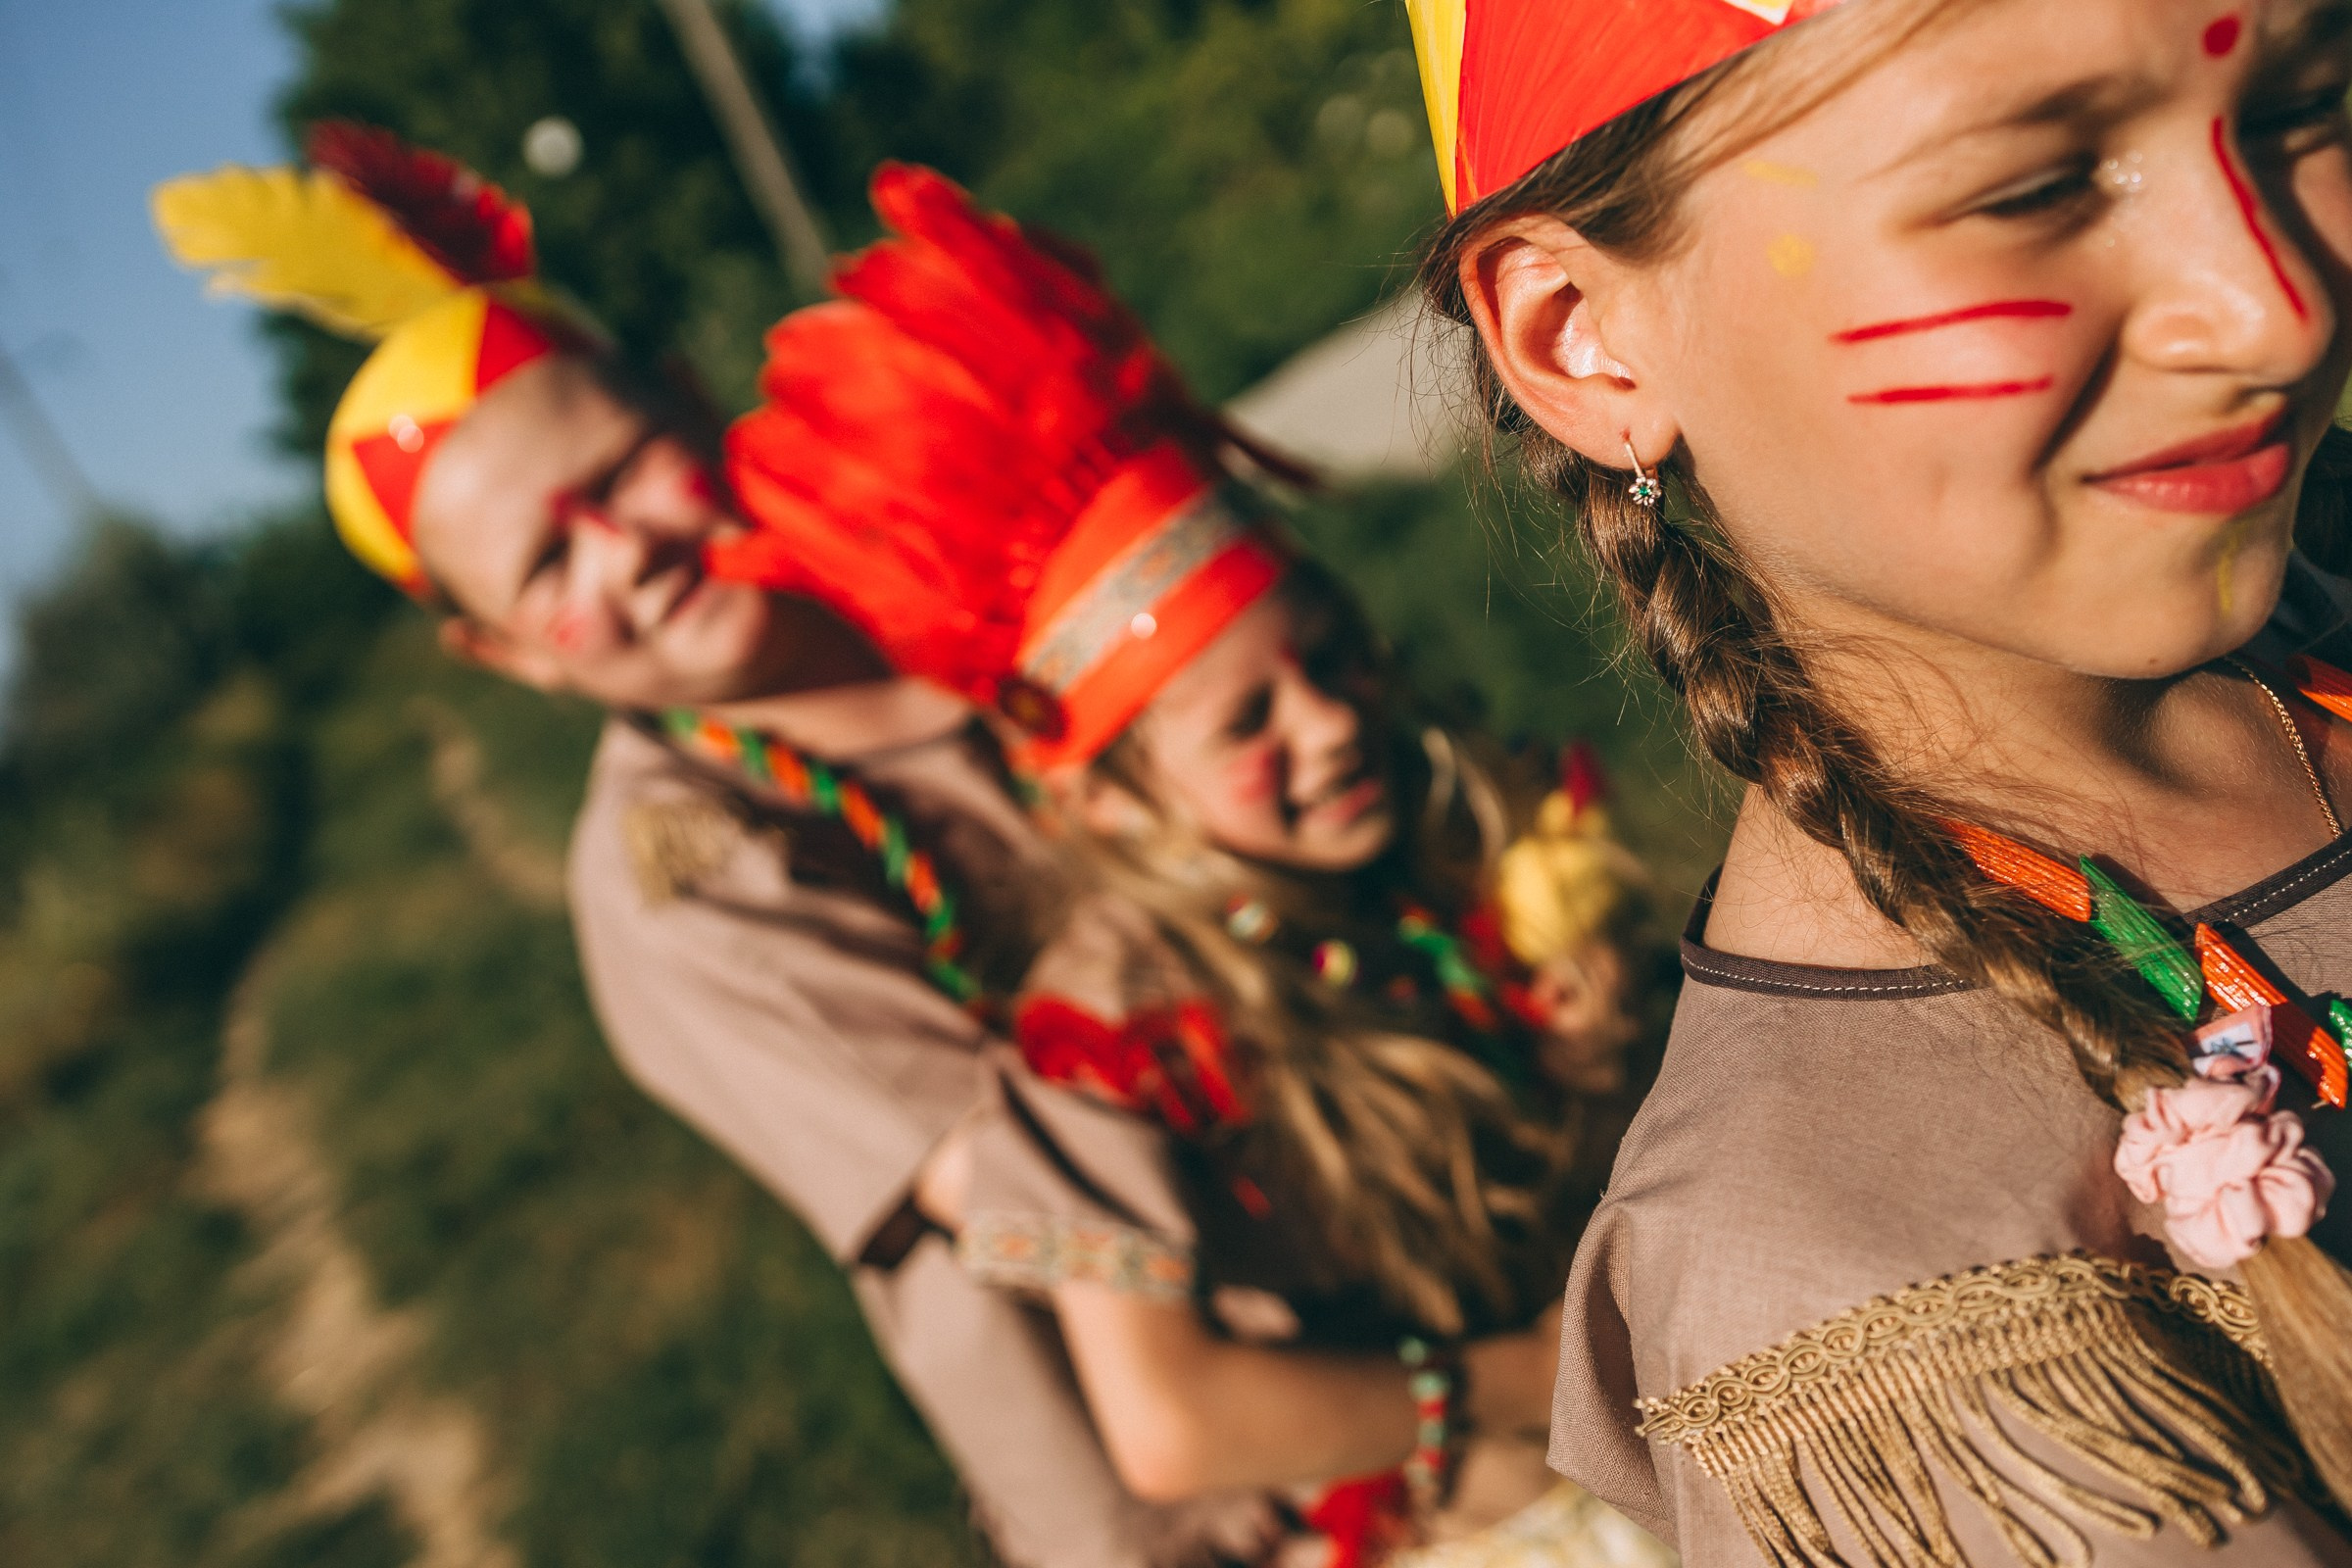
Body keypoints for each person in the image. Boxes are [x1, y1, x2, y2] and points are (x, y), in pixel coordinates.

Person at [154, 125, 1566, 1566]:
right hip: (1250, 1466)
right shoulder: (688, 886)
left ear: (688, 394)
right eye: (548, 561)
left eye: (623, 471)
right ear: (505, 654)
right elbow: (1049, 1199)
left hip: (1433, 1208)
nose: (627, 553)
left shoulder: (941, 575)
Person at [1406, 0, 2352, 1564]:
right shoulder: (1871, 1283)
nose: (2274, 311)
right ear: (1584, 334)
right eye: (2033, 188)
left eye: (2300, 110)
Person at [722, 161, 1675, 1567]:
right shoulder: (1119, 1023)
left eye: (1328, 658)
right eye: (1245, 722)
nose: (1330, 723)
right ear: (1109, 804)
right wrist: (1520, 1379)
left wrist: (1598, 1045)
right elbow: (1171, 1421)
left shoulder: (1440, 822)